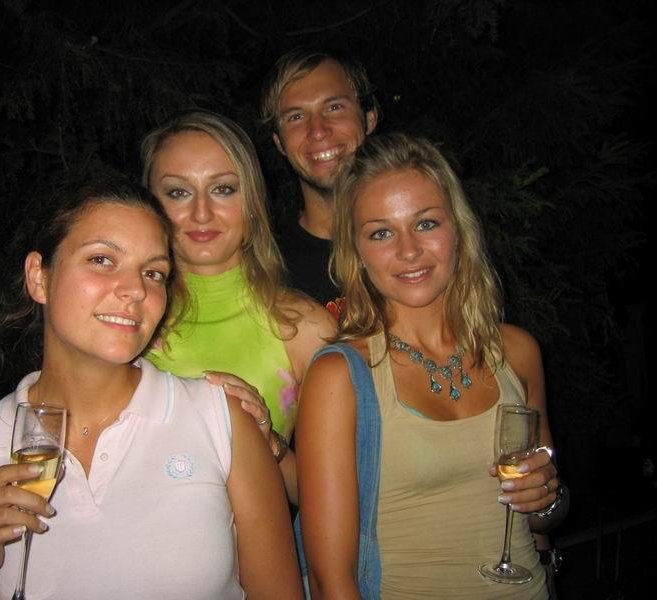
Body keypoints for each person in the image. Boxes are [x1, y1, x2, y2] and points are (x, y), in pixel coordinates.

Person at [0, 175, 303, 599]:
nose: (135, 290)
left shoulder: (221, 419)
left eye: (153, 272)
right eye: (102, 260)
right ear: (38, 277)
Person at [295, 133, 567, 599]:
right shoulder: (340, 377)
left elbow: (545, 519)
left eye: (425, 223)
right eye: (381, 233)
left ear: (458, 229)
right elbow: (330, 580)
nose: (408, 251)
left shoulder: (517, 352)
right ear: (356, 252)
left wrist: (547, 496)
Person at [141, 110, 336, 503]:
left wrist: (267, 441)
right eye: (178, 192)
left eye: (223, 189)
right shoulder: (126, 318)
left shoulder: (303, 327)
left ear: (252, 201)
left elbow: (332, 499)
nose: (201, 213)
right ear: (149, 206)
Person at [260, 47, 379, 305]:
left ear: (369, 119)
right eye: (296, 116)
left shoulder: (425, 247)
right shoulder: (268, 272)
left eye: (334, 107)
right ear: (279, 143)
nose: (317, 131)